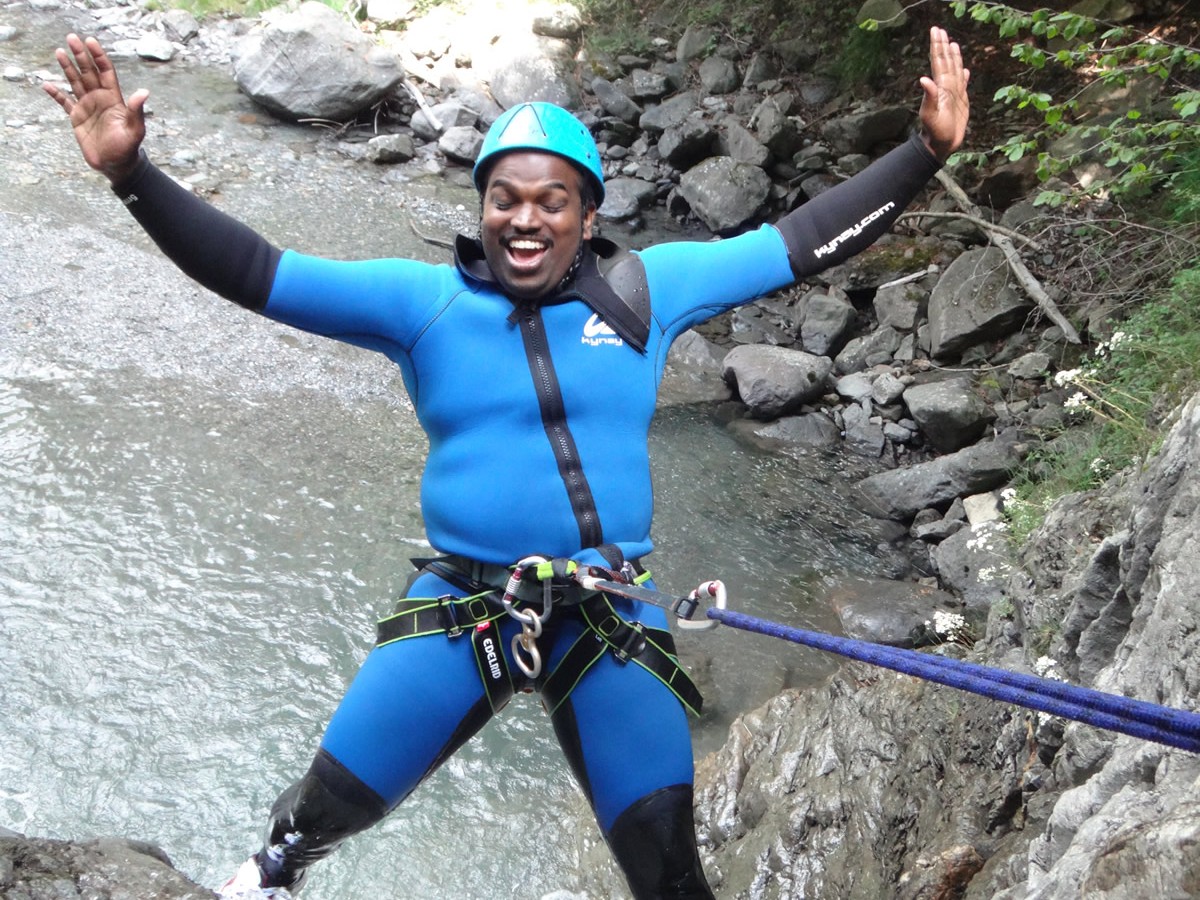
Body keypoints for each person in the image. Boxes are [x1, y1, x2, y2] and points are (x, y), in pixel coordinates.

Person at [45, 25, 968, 900]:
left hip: (605, 615)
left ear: (588, 214)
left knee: (671, 878)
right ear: (482, 205)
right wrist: (133, 175)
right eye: (505, 198)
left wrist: (922, 153)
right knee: (313, 818)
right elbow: (259, 272)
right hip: (465, 609)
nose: (525, 219)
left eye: (551, 200)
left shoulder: (650, 289)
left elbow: (800, 243)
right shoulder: (420, 304)